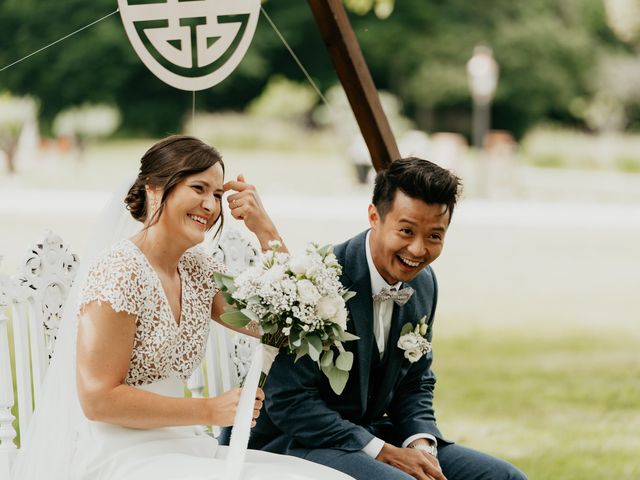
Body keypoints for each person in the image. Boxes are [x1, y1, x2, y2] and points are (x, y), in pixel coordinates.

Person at [11, 135, 353, 480]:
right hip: (121, 456)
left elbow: (281, 324)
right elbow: (98, 400)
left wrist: (264, 229)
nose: (210, 204)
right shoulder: (118, 271)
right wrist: (210, 409)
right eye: (199, 188)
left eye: (217, 194)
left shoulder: (197, 269)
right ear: (155, 189)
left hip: (184, 447)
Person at [249, 158, 527, 480]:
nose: (418, 249)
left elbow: (416, 381)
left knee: (505, 477)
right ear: (374, 217)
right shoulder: (315, 281)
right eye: (406, 231)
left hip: (371, 434)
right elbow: (289, 402)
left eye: (434, 236)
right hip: (293, 442)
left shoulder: (424, 283)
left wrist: (421, 444)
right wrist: (382, 451)